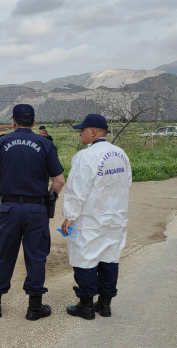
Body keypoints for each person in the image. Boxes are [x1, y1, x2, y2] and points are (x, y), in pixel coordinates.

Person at [0, 104, 65, 320]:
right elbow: (59, 180)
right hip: (36, 209)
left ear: (13, 121)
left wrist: (6, 198)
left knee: (5, 254)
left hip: (10, 208)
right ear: (33, 121)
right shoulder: (45, 143)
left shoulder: (1, 142)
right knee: (36, 256)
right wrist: (49, 198)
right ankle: (34, 307)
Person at [61, 114, 132, 320]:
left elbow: (76, 190)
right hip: (115, 218)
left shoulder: (86, 157)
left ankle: (85, 306)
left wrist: (69, 216)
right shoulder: (120, 154)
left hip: (91, 218)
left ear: (93, 132)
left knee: (86, 259)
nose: (80, 134)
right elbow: (126, 183)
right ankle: (105, 304)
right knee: (110, 259)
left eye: (82, 130)